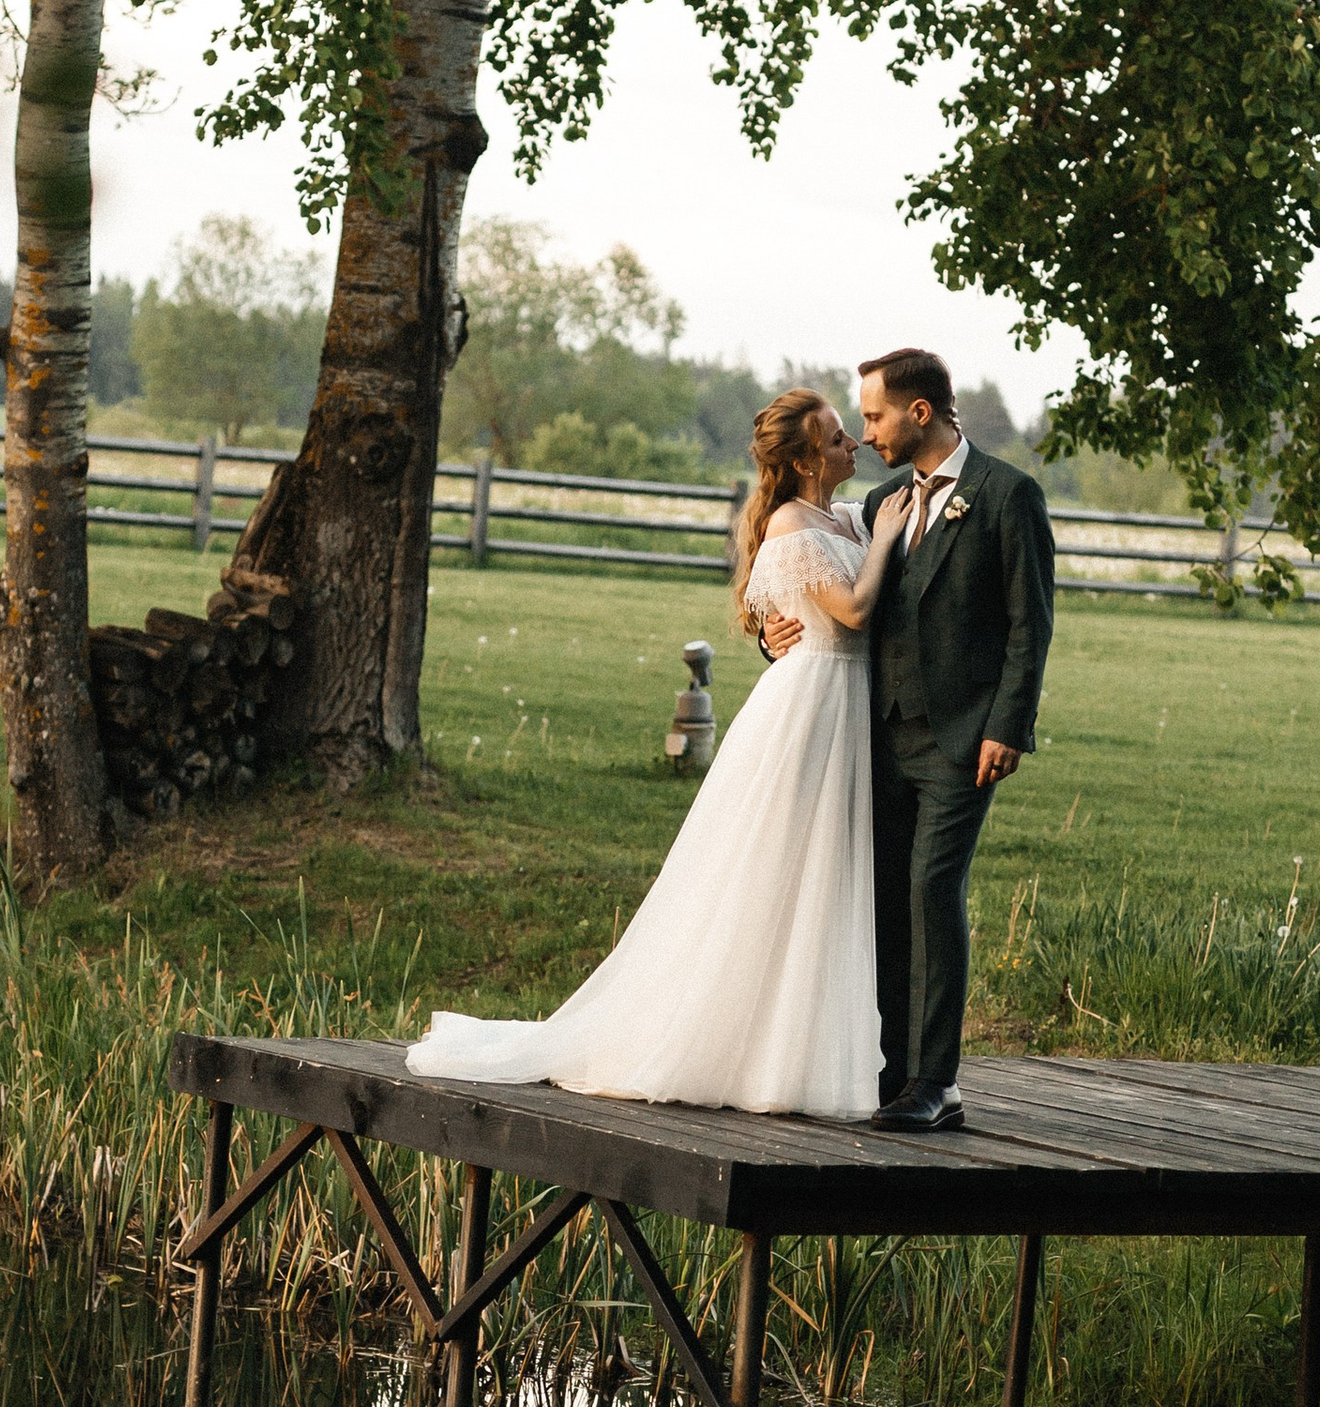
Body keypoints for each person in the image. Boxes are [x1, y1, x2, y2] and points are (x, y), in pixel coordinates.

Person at [404, 385, 908, 1121]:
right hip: (811, 713)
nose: (852, 445)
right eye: (836, 438)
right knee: (778, 871)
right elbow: (855, 608)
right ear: (804, 460)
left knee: (825, 878)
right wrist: (885, 541)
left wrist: (874, 532)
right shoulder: (795, 524)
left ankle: (803, 1044)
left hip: (846, 706)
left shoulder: (843, 513)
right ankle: (738, 1042)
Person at [762, 347, 1053, 1135]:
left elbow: (1032, 623)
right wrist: (774, 635)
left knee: (932, 890)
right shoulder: (884, 500)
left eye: (875, 416)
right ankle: (894, 1075)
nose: (866, 432)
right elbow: (821, 584)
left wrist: (1008, 725)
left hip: (963, 742)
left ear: (919, 412)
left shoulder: (1007, 496)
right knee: (888, 902)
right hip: (876, 739)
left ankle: (938, 1082)